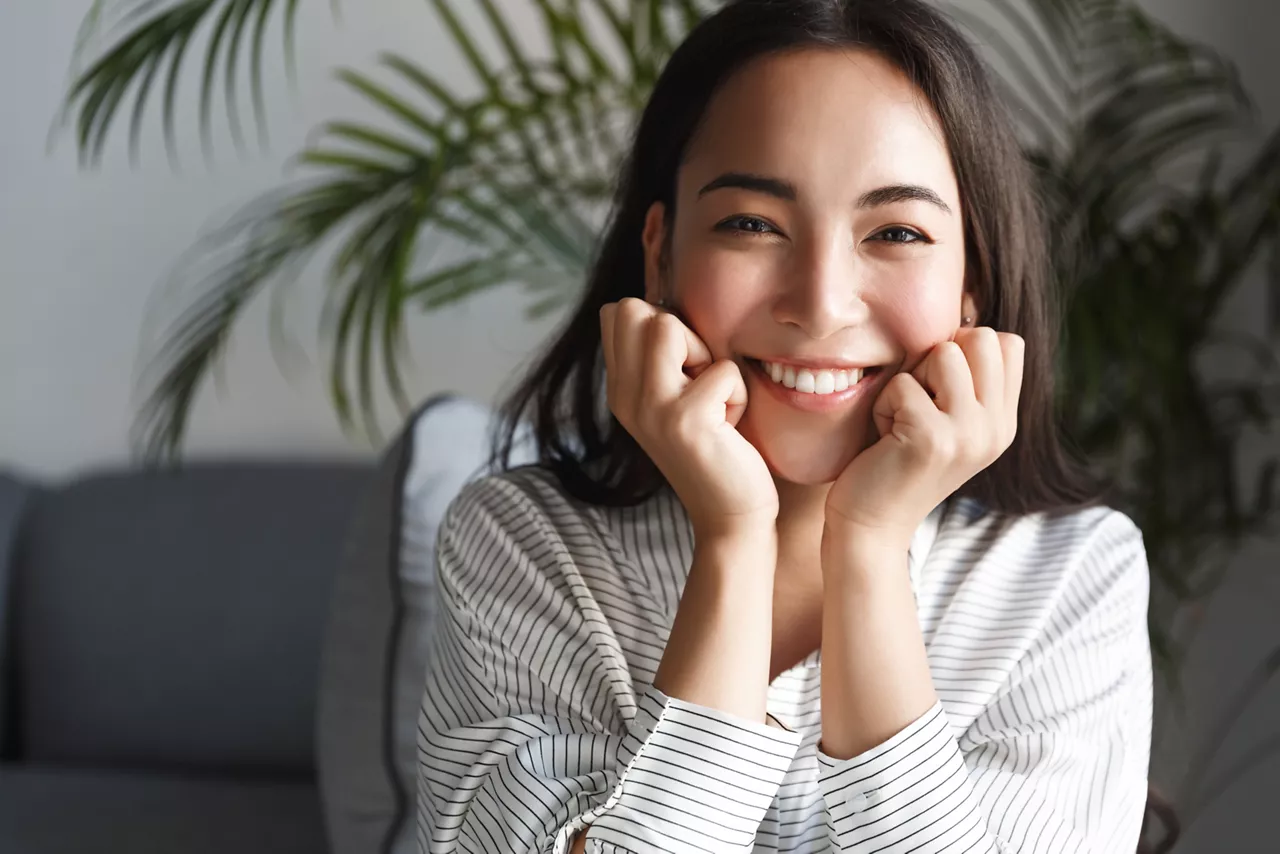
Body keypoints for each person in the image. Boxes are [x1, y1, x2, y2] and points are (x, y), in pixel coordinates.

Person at [413, 0, 1153, 851]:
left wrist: (869, 549)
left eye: (898, 231)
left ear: (971, 284)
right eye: (752, 224)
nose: (821, 303)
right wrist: (733, 542)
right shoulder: (521, 545)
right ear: (660, 255)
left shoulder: (1072, 578)